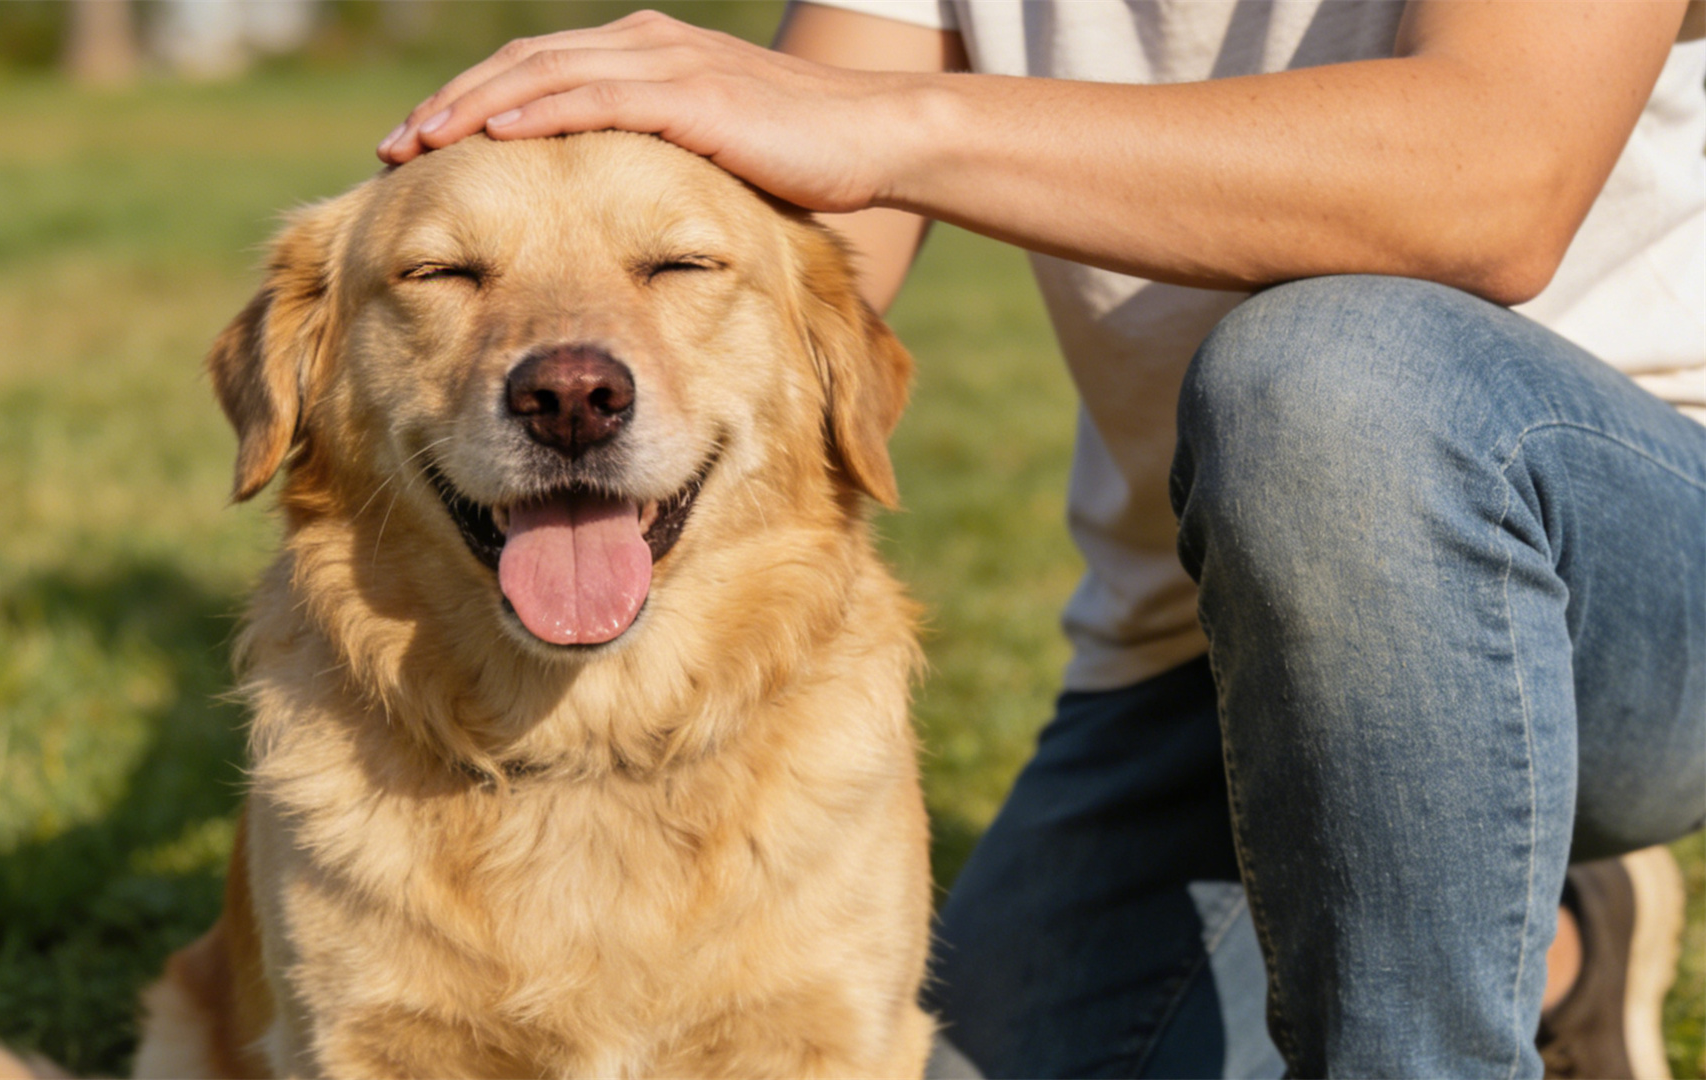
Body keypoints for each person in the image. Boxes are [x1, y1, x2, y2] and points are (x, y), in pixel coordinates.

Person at [376, 2, 1706, 1077]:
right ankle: (1559, 944)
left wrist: (894, 121)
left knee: (1329, 372)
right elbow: (792, 277)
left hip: (1633, 573)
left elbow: (1489, 183)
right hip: (1206, 648)